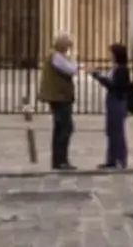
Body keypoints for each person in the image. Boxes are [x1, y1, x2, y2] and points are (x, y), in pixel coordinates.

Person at [38, 32, 79, 171]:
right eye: (68, 46)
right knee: (65, 128)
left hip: (60, 96)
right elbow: (71, 70)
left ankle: (59, 160)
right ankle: (61, 161)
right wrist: (73, 59)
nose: (69, 48)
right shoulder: (57, 57)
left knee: (61, 128)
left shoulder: (55, 55)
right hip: (60, 97)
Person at [90, 43, 132, 169]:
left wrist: (97, 75)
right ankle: (111, 159)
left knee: (117, 131)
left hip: (118, 102)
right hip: (112, 101)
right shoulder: (116, 68)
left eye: (111, 53)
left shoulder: (122, 69)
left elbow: (113, 85)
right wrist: (97, 74)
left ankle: (120, 159)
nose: (110, 56)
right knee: (111, 131)